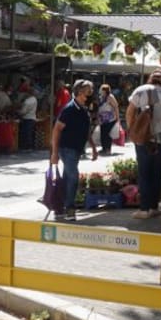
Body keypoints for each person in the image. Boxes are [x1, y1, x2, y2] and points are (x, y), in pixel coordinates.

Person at [125, 69, 161, 219]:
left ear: (151, 78)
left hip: (143, 138)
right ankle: (154, 207)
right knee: (156, 173)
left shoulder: (141, 90)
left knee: (144, 172)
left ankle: (144, 209)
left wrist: (133, 129)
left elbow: (130, 112)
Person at [50, 80, 94, 222]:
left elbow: (86, 131)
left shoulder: (83, 109)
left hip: (76, 149)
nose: (91, 94)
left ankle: (60, 207)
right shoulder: (69, 109)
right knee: (73, 176)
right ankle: (69, 208)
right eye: (88, 91)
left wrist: (93, 147)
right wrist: (55, 153)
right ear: (80, 92)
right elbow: (56, 130)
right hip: (67, 148)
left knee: (67, 177)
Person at [95, 83, 120, 156]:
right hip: (102, 119)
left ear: (105, 90)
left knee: (107, 134)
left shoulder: (110, 97)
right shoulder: (101, 97)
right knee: (103, 133)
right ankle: (103, 148)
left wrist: (118, 118)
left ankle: (108, 149)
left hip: (110, 119)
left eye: (101, 89)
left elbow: (116, 107)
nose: (100, 90)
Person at [18, 86, 38, 152]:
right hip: (33, 118)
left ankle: (26, 147)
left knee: (26, 133)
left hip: (27, 118)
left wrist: (18, 112)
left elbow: (23, 112)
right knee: (30, 133)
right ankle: (31, 146)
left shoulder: (27, 101)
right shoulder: (34, 99)